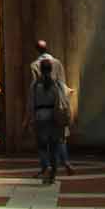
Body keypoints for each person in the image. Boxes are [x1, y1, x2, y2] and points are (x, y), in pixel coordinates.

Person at [28, 38, 72, 174]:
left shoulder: (35, 83)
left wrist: (29, 117)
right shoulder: (56, 80)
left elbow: (31, 101)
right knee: (57, 142)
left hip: (40, 115)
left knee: (41, 144)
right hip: (54, 114)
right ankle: (60, 165)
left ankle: (44, 165)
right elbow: (61, 92)